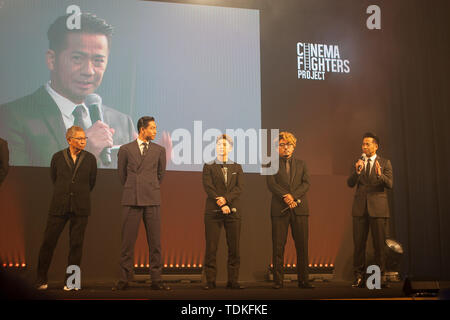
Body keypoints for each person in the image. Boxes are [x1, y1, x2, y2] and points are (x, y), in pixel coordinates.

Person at [0, 13, 136, 168]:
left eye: (98, 60)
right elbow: (18, 187)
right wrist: (83, 154)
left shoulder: (122, 123)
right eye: (77, 58)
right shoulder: (13, 118)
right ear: (52, 60)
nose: (89, 71)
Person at [36, 126, 97, 291]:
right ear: (69, 140)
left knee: (76, 245)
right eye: (79, 138)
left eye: (84, 138)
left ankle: (71, 282)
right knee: (48, 242)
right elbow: (54, 178)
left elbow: (91, 182)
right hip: (59, 206)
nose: (83, 141)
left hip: (81, 207)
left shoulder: (91, 159)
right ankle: (40, 279)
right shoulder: (57, 157)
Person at [114, 116, 169, 291]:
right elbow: (122, 175)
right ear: (142, 129)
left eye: (155, 127)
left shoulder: (159, 150)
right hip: (131, 199)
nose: (155, 131)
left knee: (155, 243)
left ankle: (156, 279)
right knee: (127, 243)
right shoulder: (125, 149)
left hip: (152, 199)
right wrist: (134, 187)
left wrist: (148, 186)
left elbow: (161, 174)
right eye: (152, 128)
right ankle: (124, 279)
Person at [266, 132, 313, 289]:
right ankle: (278, 281)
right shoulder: (270, 163)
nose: (285, 148)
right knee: (278, 246)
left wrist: (293, 197)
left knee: (302, 246)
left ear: (294, 147)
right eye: (282, 145)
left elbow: (306, 183)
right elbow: (271, 184)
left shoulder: (302, 164)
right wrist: (286, 196)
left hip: (299, 209)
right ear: (277, 147)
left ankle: (304, 280)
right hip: (279, 209)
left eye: (289, 145)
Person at [347, 132, 393, 288]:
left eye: (367, 144)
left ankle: (379, 278)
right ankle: (358, 276)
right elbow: (350, 183)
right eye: (363, 144)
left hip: (378, 209)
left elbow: (390, 184)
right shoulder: (358, 162)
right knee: (359, 244)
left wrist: (380, 175)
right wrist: (357, 171)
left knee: (379, 245)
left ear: (376, 146)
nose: (364, 146)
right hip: (360, 208)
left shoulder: (385, 162)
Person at [202, 134, 245, 290]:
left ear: (231, 148)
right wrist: (221, 204)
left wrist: (226, 201)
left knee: (234, 248)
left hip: (233, 211)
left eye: (225, 145)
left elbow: (239, 188)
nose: (222, 147)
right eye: (219, 144)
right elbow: (208, 187)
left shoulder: (237, 167)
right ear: (216, 147)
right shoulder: (209, 165)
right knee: (211, 247)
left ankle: (233, 281)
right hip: (213, 211)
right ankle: (210, 281)